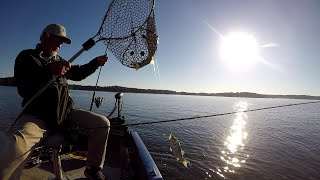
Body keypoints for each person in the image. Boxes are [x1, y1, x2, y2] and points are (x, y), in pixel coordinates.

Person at [0, 24, 110, 180]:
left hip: (66, 115)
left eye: (63, 42)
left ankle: (93, 168)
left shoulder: (61, 61)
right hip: (38, 118)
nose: (60, 45)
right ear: (46, 36)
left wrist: (95, 62)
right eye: (58, 40)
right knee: (16, 147)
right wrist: (49, 71)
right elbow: (23, 86)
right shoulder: (27, 57)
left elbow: (78, 73)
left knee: (102, 123)